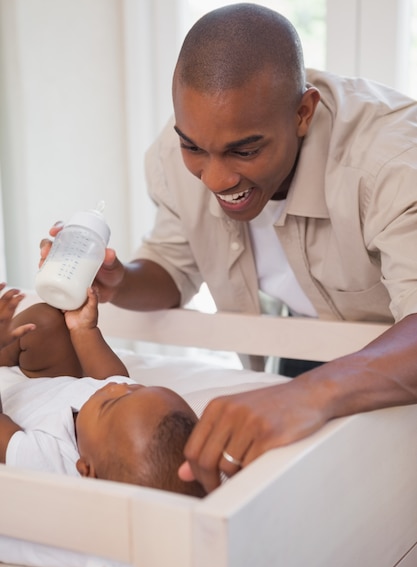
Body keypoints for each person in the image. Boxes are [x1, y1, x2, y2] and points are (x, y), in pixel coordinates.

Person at [40, 3, 417, 493]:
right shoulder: (176, 152)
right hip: (303, 344)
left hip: (390, 353)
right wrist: (122, 281)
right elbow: (173, 269)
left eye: (245, 150)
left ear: (304, 113)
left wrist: (309, 394)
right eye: (194, 147)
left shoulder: (391, 164)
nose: (216, 178)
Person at [0, 284, 206, 497]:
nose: (117, 387)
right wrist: (84, 329)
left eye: (110, 403)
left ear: (85, 470)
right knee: (45, 320)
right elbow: (111, 375)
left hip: (6, 401)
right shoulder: (112, 415)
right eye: (137, 389)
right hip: (45, 384)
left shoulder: (51, 461)